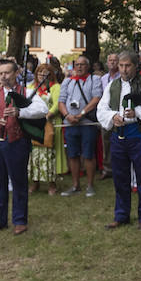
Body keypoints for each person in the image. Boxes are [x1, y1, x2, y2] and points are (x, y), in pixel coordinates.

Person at [0, 58, 49, 235]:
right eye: (1, 73)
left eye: (7, 72)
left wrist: (20, 112)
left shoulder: (27, 91)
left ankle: (20, 220)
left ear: (16, 73)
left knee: (19, 182)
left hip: (17, 142)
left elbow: (42, 109)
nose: (4, 76)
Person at [98, 51, 141, 229]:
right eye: (121, 65)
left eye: (127, 65)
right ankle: (121, 215)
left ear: (135, 66)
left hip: (139, 134)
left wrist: (138, 113)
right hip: (119, 135)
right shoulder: (112, 86)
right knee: (120, 177)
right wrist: (113, 117)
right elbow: (102, 108)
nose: (124, 69)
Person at [59, 55, 103, 197]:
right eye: (77, 64)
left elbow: (96, 98)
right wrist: (67, 115)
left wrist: (82, 114)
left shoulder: (94, 79)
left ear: (88, 66)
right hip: (70, 123)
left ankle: (90, 185)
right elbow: (61, 101)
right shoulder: (67, 82)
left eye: (82, 64)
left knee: (88, 154)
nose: (79, 67)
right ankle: (75, 185)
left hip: (87, 123)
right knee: (72, 154)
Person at [28, 61, 65, 196]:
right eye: (39, 72)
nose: (42, 75)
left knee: (50, 155)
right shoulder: (31, 87)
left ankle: (52, 184)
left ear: (50, 75)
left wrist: (47, 115)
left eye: (45, 73)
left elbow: (57, 104)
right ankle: (35, 182)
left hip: (50, 124)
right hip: (34, 125)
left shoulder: (55, 87)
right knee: (34, 155)